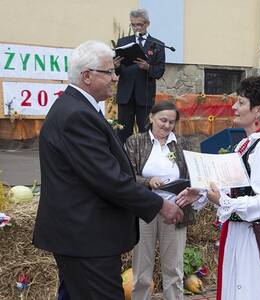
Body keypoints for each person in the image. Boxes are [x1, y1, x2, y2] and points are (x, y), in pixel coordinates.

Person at [33, 40, 183, 300]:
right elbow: (108, 178)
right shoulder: (77, 116)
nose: (115, 78)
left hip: (80, 237)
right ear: (87, 76)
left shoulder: (77, 109)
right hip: (87, 240)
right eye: (109, 72)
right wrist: (159, 205)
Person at [177, 76, 260, 300]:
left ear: (258, 110)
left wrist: (223, 202)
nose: (234, 107)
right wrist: (202, 191)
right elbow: (236, 187)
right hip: (239, 232)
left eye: (241, 102)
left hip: (255, 240)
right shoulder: (245, 143)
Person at [125, 101, 205, 300]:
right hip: (145, 210)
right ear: (151, 117)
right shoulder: (135, 142)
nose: (167, 125)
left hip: (175, 210)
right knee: (142, 269)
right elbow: (124, 176)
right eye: (163, 120)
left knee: (174, 269)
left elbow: (196, 174)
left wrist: (190, 189)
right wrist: (148, 181)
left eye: (171, 122)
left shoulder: (183, 144)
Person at [114, 8, 166, 143]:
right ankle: (123, 160)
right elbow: (117, 71)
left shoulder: (157, 45)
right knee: (123, 132)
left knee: (145, 133)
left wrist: (148, 67)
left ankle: (145, 160)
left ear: (147, 24)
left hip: (145, 96)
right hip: (125, 94)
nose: (136, 28)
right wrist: (116, 66)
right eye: (133, 25)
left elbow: (159, 71)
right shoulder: (123, 42)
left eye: (139, 25)